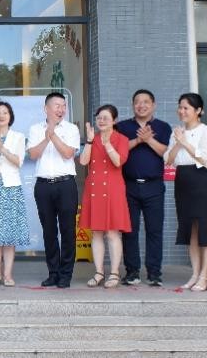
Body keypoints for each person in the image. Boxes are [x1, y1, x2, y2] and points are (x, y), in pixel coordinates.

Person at [117, 89, 171, 287]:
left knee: (154, 230)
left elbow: (166, 152)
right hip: (128, 186)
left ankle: (154, 273)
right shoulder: (122, 127)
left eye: (146, 102)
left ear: (153, 105)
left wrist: (148, 140)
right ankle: (132, 272)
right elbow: (117, 150)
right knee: (129, 231)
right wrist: (138, 140)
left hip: (154, 186)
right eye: (137, 102)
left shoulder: (163, 127)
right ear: (133, 105)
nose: (141, 105)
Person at [27, 92, 81, 288]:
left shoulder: (72, 128)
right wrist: (46, 138)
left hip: (66, 185)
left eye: (63, 106)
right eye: (57, 105)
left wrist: (54, 135)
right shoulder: (35, 129)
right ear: (46, 108)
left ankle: (65, 275)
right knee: (49, 231)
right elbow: (33, 154)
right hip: (43, 186)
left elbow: (68, 153)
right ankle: (53, 273)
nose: (61, 109)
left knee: (68, 231)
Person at [165, 93, 207, 292]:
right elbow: (169, 160)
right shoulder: (176, 132)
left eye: (186, 108)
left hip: (199, 179)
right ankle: (194, 274)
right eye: (180, 107)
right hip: (182, 180)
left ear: (198, 110)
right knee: (190, 229)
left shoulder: (206, 131)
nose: (181, 111)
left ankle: (204, 276)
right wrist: (178, 141)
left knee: (203, 227)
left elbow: (205, 158)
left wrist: (184, 142)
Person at [79, 104, 130, 288]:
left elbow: (118, 161)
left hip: (113, 190)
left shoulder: (122, 139)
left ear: (114, 121)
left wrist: (107, 143)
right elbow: (83, 161)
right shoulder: (93, 139)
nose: (101, 121)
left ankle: (114, 273)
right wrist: (89, 141)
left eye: (105, 118)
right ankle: (99, 272)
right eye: (99, 118)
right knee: (96, 232)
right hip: (93, 189)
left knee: (113, 232)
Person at [0, 101, 30, 287]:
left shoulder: (18, 137)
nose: (1, 115)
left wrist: (3, 149)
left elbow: (18, 162)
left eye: (5, 112)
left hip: (11, 188)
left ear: (10, 117)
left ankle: (8, 275)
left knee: (9, 235)